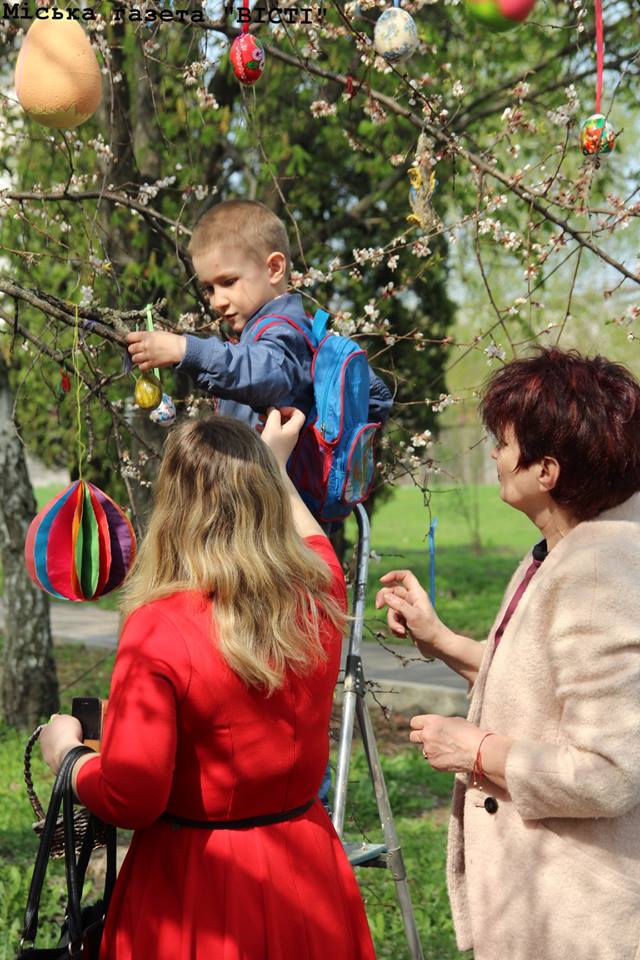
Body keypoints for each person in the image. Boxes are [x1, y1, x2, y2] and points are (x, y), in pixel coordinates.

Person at [39, 408, 377, 960]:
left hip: (196, 887)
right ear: (264, 496)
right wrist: (275, 466)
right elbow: (315, 543)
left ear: (174, 506)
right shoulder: (319, 593)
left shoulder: (158, 625)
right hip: (307, 874)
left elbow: (132, 795)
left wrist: (69, 757)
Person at [375, 347, 640, 960]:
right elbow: (548, 682)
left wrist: (476, 750)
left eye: (503, 441)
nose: (493, 454)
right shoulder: (565, 547)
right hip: (547, 903)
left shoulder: (600, 574)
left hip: (576, 921)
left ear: (545, 471)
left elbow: (612, 772)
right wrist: (438, 639)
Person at [126, 198, 393, 431]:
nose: (217, 301)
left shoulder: (284, 330)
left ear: (274, 268)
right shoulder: (263, 331)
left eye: (228, 282)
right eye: (209, 288)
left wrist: (186, 350)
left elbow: (263, 373)